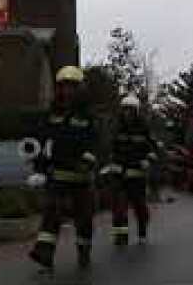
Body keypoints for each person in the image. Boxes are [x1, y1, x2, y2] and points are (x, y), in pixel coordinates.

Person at [27, 65, 98, 271]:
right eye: (64, 86)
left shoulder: (87, 117)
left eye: (72, 87)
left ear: (80, 89)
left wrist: (88, 160)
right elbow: (40, 143)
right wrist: (39, 169)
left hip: (81, 179)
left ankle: (84, 250)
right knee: (51, 214)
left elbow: (95, 143)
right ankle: (44, 253)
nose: (68, 91)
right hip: (56, 177)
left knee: (83, 220)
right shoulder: (51, 115)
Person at [104, 94, 154, 245]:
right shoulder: (116, 128)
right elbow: (108, 147)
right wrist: (109, 162)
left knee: (140, 207)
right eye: (125, 110)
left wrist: (148, 159)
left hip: (137, 176)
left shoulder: (143, 128)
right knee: (119, 208)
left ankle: (142, 232)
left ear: (136, 111)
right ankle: (121, 236)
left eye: (131, 110)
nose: (127, 114)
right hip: (119, 176)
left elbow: (152, 148)